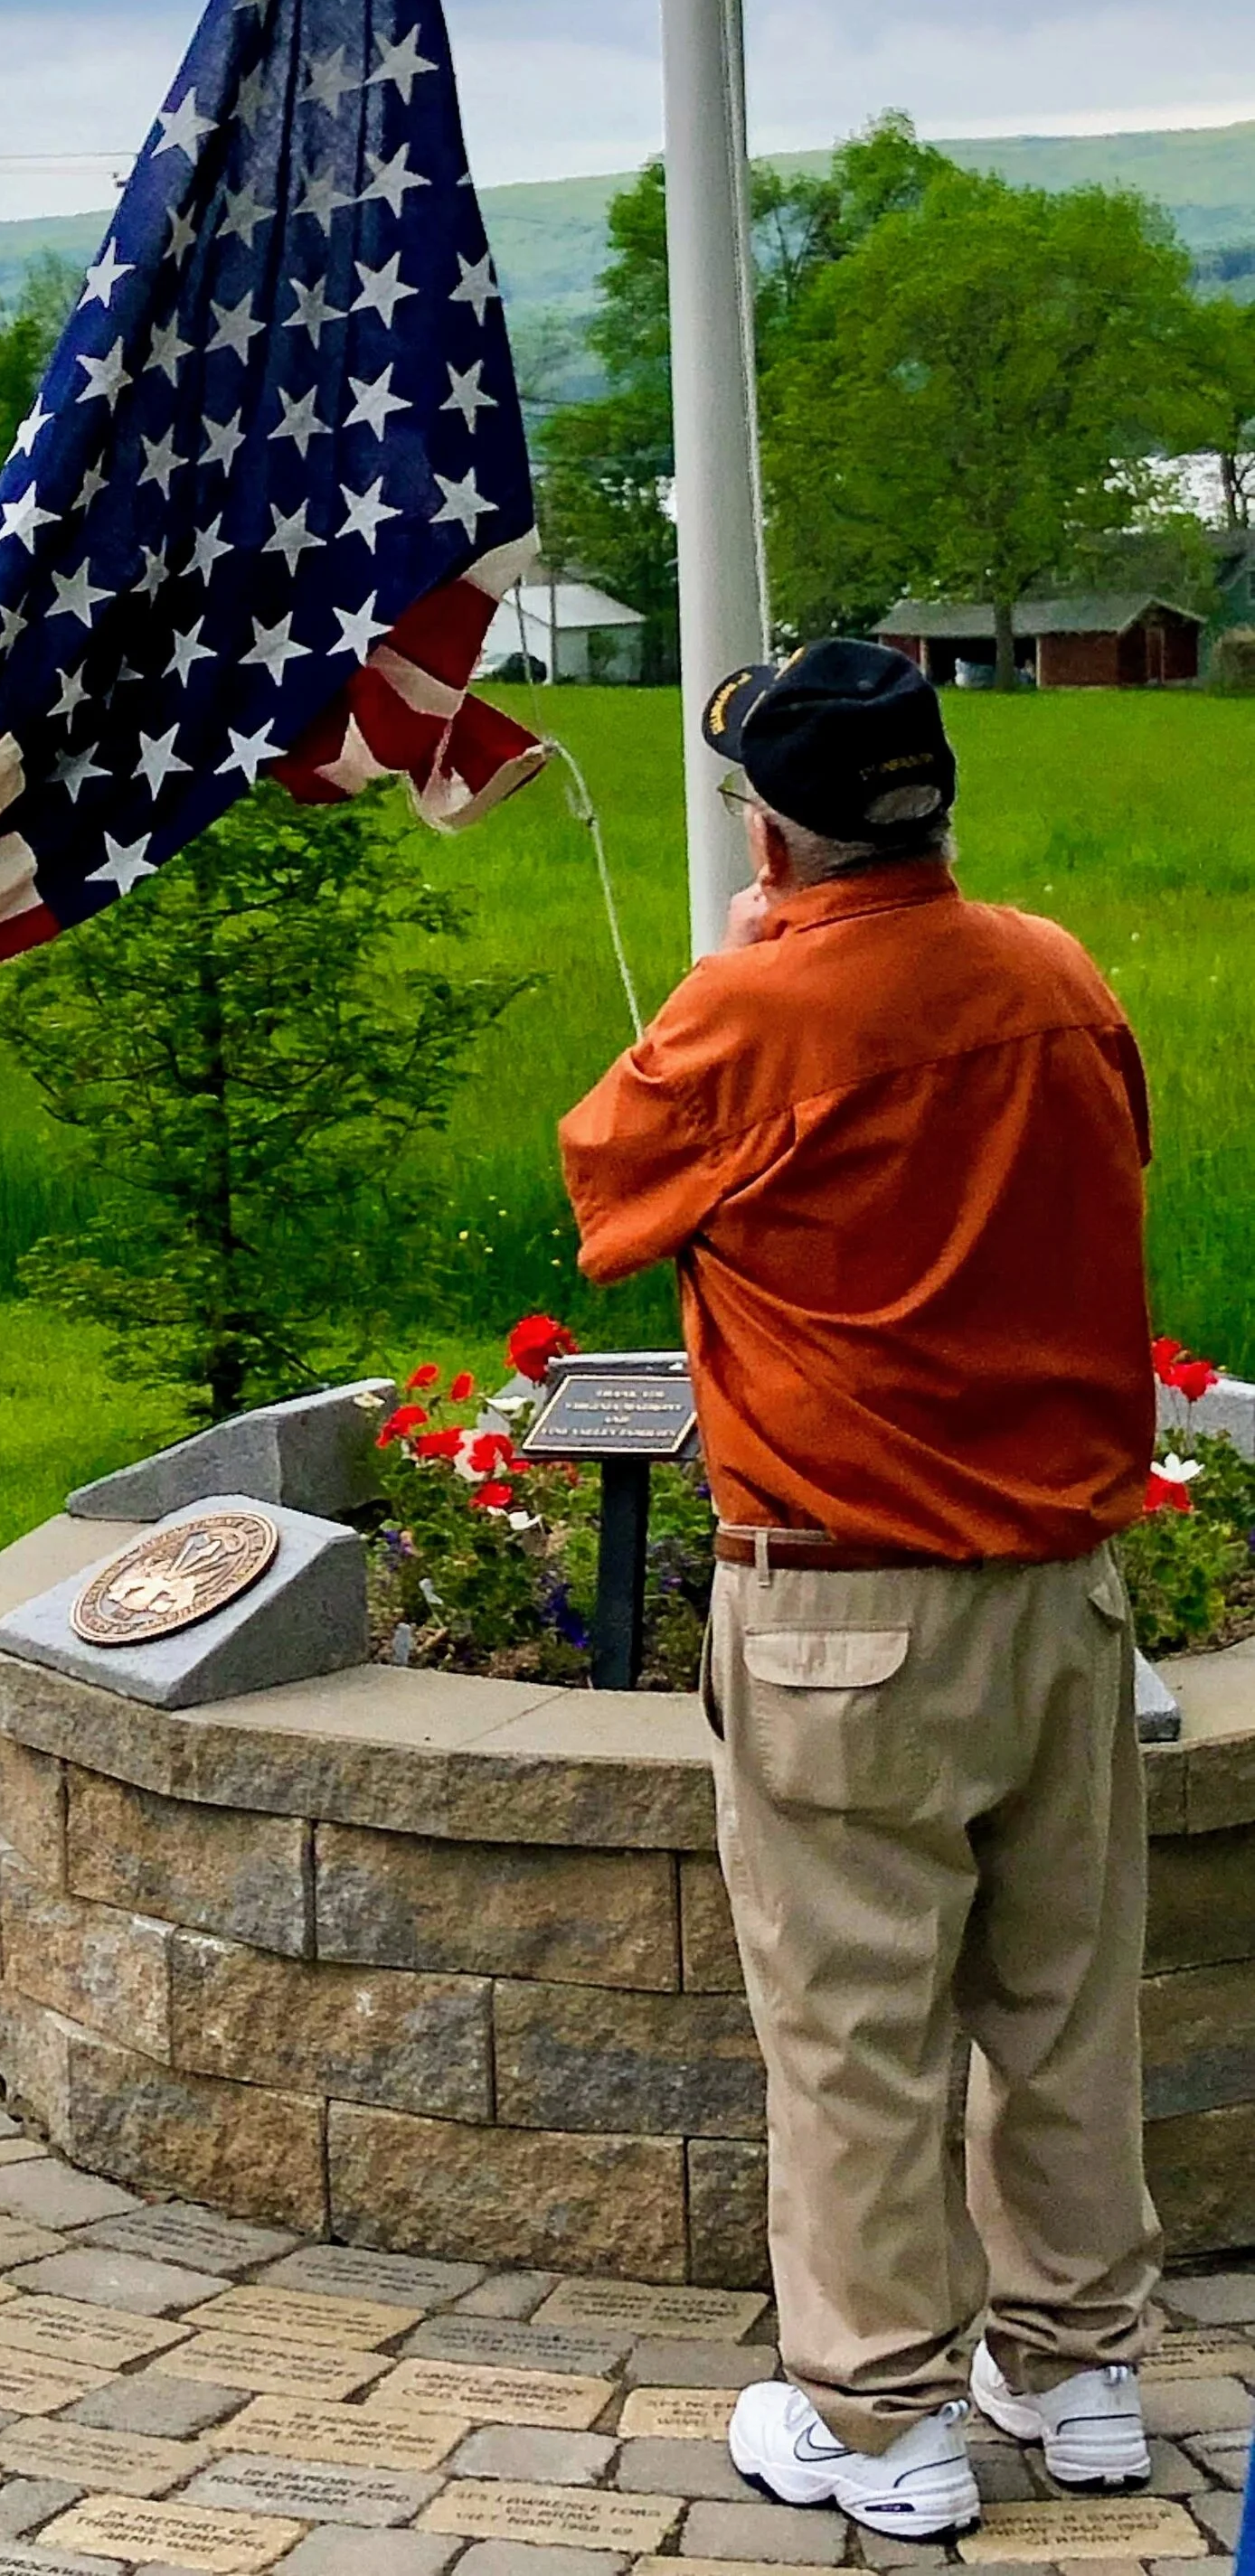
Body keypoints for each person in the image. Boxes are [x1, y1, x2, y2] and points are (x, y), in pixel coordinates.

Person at [559, 639, 1158, 2542]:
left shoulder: (755, 1008)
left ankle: (878, 2411)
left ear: (772, 820)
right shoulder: (1054, 974)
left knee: (853, 2032)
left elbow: (604, 1189)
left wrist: (756, 956)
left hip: (838, 1603)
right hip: (1062, 1588)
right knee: (1061, 1999)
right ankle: (1078, 2376)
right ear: (931, 791)